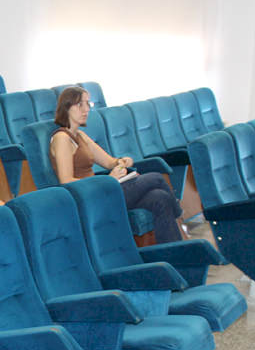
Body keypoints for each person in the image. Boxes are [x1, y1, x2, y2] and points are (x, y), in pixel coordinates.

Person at [50, 86, 186, 243]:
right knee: (156, 178)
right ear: (66, 106)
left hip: (102, 190)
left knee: (160, 197)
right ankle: (181, 225)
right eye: (80, 104)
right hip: (91, 198)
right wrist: (109, 180)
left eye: (87, 104)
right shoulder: (62, 138)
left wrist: (121, 161)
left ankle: (175, 250)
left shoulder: (80, 135)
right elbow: (66, 181)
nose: (86, 109)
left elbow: (109, 161)